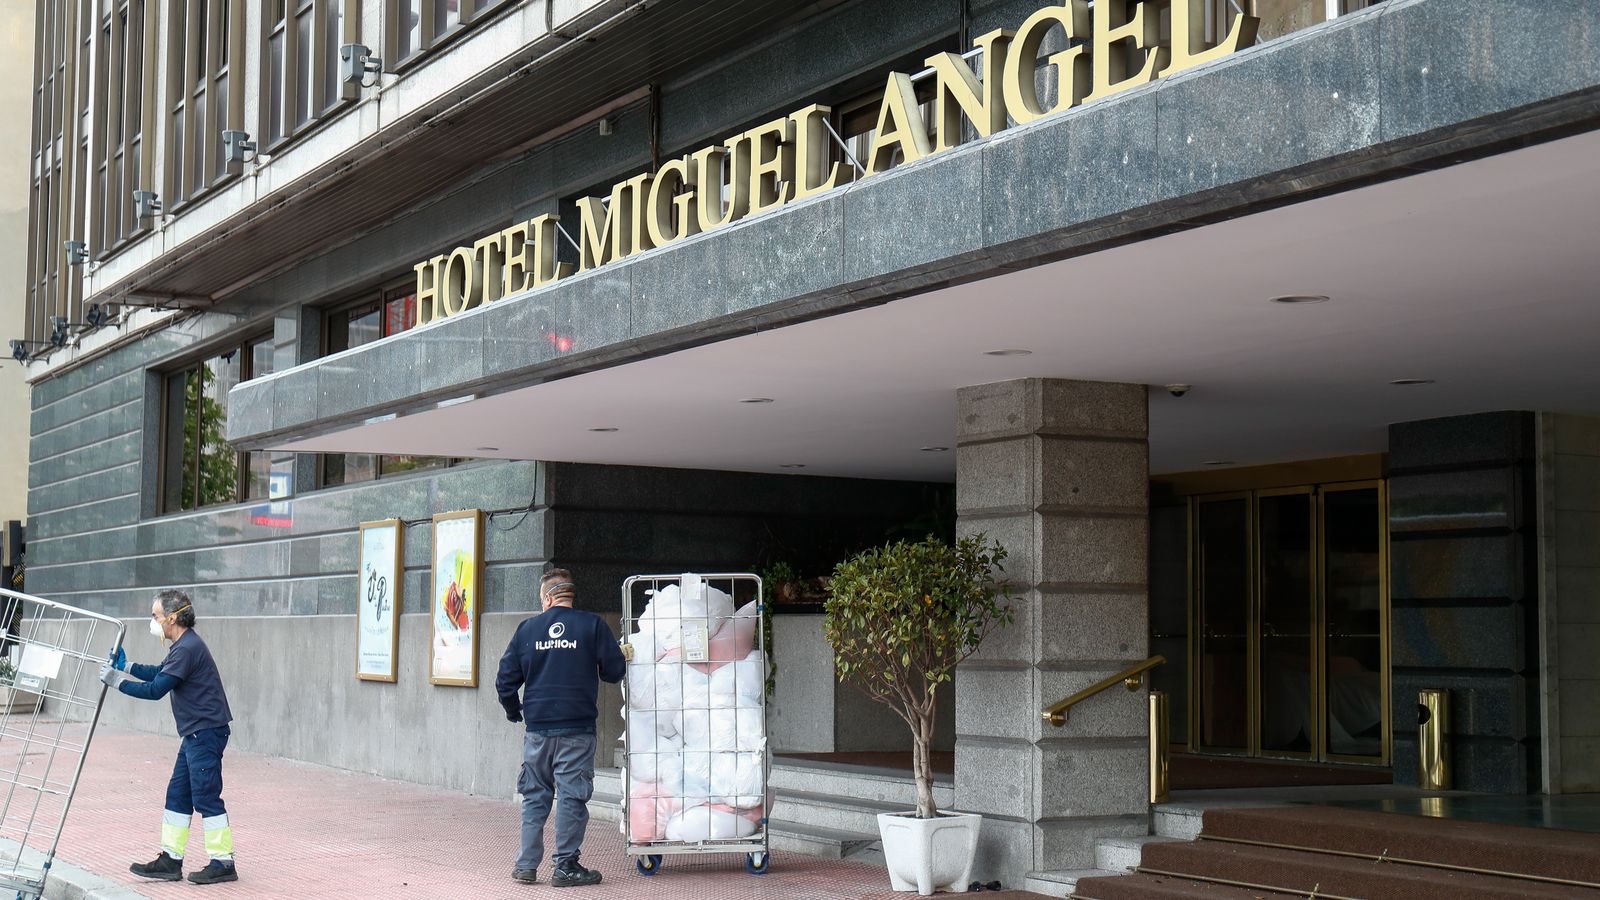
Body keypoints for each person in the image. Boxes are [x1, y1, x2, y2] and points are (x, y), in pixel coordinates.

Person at [496, 569, 627, 887]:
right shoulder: (592, 625)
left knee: (535, 795)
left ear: (547, 597)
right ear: (570, 596)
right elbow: (614, 671)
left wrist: (516, 712)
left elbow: (504, 681)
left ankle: (526, 865)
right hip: (576, 730)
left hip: (538, 730)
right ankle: (566, 866)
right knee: (571, 795)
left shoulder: (528, 629)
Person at [99, 590, 237, 885]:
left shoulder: (187, 648)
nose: (153, 621)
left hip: (206, 733)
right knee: (178, 795)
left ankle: (223, 862)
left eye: (155, 616)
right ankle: (170, 861)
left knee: (206, 797)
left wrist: (117, 682)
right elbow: (160, 672)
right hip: (195, 734)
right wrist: (125, 666)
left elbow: (156, 689)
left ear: (172, 618)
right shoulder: (181, 646)